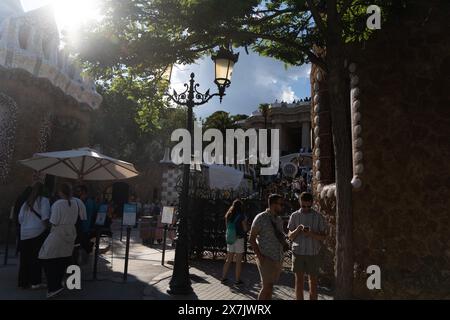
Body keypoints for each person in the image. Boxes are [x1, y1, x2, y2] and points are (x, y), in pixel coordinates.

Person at [38, 183, 86, 298]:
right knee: (62, 259)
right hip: (71, 233)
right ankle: (58, 284)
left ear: (60, 192)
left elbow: (54, 221)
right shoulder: (75, 203)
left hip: (58, 233)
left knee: (45, 257)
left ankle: (53, 286)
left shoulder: (58, 204)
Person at [287, 192, 327, 300]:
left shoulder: (318, 217)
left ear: (312, 204)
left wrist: (311, 234)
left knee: (313, 284)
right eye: (303, 206)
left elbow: (323, 237)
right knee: (299, 283)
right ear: (300, 203)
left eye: (308, 206)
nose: (306, 208)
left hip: (313, 253)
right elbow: (290, 236)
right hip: (298, 252)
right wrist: (298, 229)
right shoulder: (294, 216)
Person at [249, 194, 286, 300]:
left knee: (270, 288)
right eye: (281, 204)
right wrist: (260, 256)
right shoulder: (260, 218)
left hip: (278, 258)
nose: (282, 207)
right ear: (273, 205)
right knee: (266, 287)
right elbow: (252, 239)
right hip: (266, 258)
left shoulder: (278, 219)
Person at [17, 182, 50, 289]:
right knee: (36, 259)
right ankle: (35, 282)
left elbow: (20, 218)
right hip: (38, 232)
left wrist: (26, 226)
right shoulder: (44, 201)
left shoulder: (26, 203)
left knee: (24, 259)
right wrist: (47, 228)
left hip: (24, 233)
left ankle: (23, 282)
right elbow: (45, 217)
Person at [221, 199, 248, 285]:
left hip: (230, 238)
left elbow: (227, 227)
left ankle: (223, 277)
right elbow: (245, 229)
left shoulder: (228, 215)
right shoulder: (242, 216)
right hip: (239, 239)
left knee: (228, 259)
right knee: (238, 261)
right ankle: (237, 280)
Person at [74, 185, 97, 264]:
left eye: (79, 191)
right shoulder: (88, 201)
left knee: (79, 245)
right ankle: (81, 260)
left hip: (82, 227)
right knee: (80, 245)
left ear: (83, 192)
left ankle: (80, 261)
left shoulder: (81, 201)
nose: (78, 192)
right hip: (82, 227)